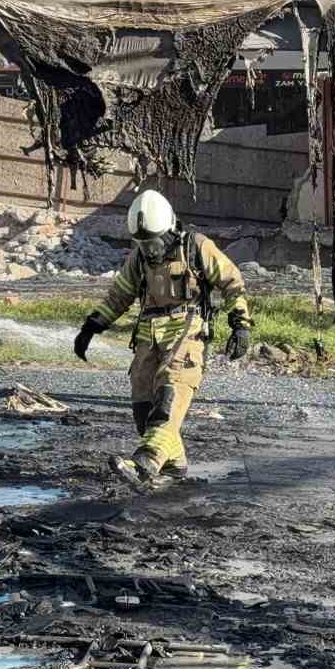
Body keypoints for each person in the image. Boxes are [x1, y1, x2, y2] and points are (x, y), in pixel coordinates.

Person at [74, 189, 251, 487]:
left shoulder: (197, 247)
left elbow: (232, 282)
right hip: (148, 338)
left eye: (153, 242)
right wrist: (91, 326)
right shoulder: (139, 258)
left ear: (168, 230)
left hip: (187, 334)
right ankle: (175, 464)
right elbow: (119, 295)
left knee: (168, 402)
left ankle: (146, 464)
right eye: (142, 243)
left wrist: (241, 324)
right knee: (144, 412)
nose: (150, 249)